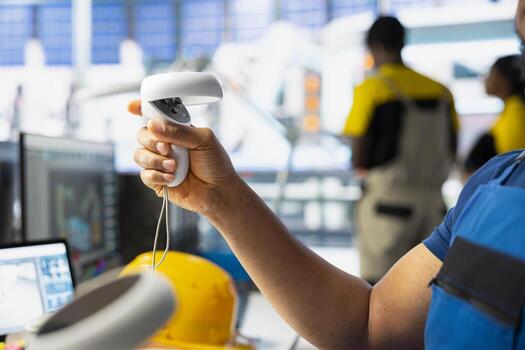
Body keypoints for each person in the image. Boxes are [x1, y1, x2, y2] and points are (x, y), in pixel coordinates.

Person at [130, 2, 525, 347]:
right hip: (435, 204)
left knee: (377, 273)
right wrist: (218, 197)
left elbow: (358, 151)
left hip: (388, 206)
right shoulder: (448, 101)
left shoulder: (377, 91)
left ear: (373, 49)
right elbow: (372, 326)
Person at [342, 16, 459, 284]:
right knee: (428, 290)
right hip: (435, 210)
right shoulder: (442, 92)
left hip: (387, 207)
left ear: (374, 46)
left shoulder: (372, 88)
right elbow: (452, 150)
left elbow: (359, 157)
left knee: (378, 290)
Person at [464, 55, 525, 174]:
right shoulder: (512, 109)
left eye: (491, 72)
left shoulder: (516, 112)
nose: (486, 79)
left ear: (505, 80)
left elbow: (516, 164)